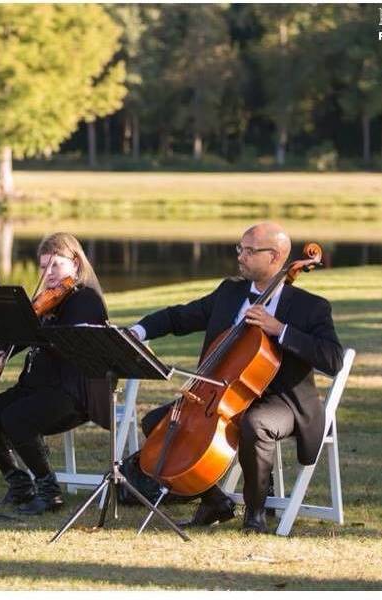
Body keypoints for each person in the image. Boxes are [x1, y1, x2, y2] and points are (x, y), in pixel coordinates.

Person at [129, 222, 343, 533]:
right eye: (239, 249)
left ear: (275, 257)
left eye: (249, 250)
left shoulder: (310, 307)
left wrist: (279, 330)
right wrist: (139, 330)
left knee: (254, 423)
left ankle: (255, 515)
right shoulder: (230, 293)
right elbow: (179, 316)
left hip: (282, 401)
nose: (240, 256)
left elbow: (332, 358)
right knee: (157, 423)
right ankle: (215, 500)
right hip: (222, 394)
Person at [0, 232, 111, 515]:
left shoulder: (86, 300)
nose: (48, 273)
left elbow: (59, 340)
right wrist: (4, 348)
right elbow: (26, 332)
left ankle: (49, 492)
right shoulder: (48, 301)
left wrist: (31, 320)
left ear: (75, 263)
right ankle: (20, 484)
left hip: (72, 392)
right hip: (36, 387)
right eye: (44, 266)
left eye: (55, 265)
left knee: (15, 418)